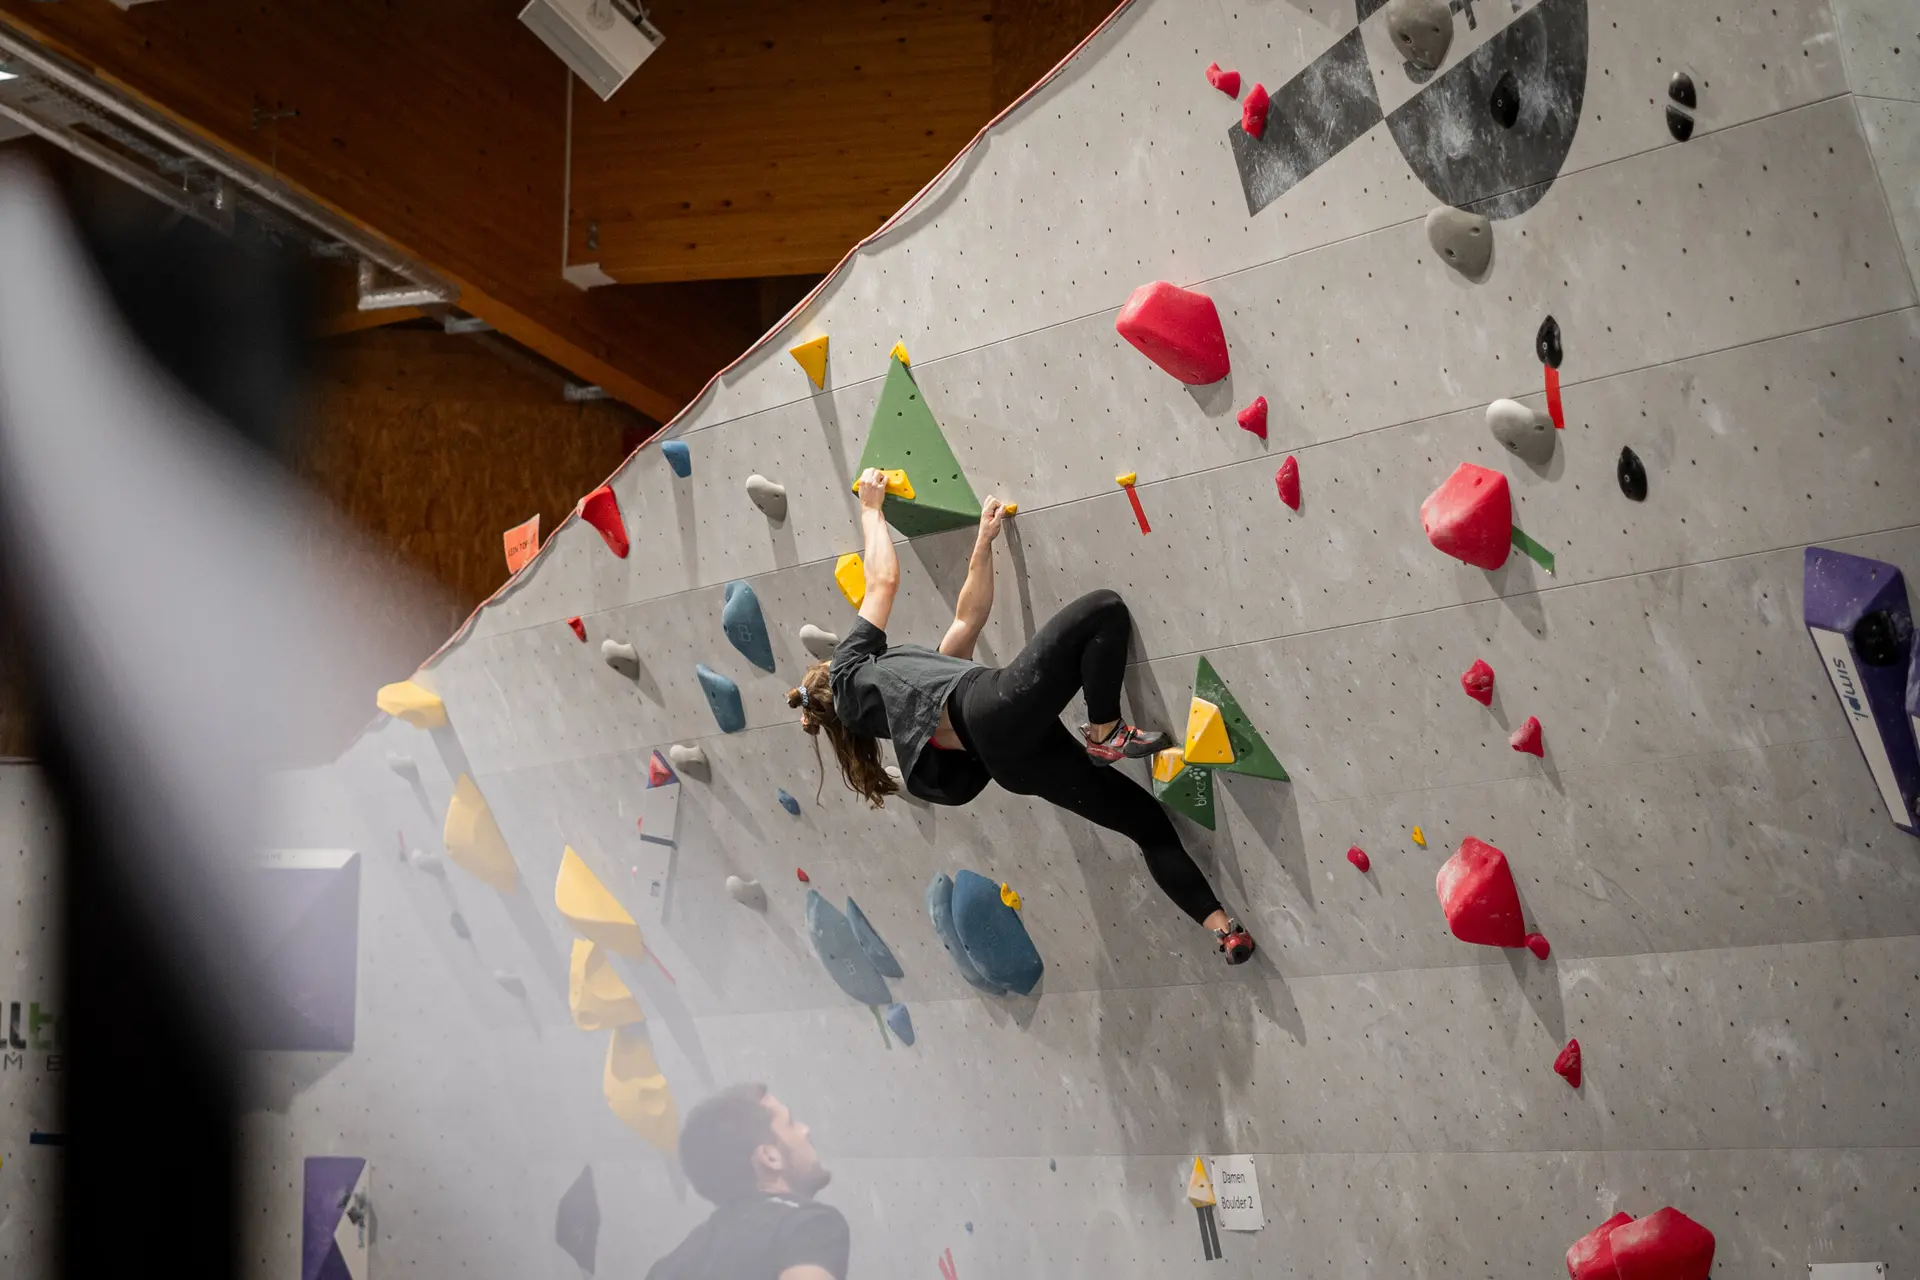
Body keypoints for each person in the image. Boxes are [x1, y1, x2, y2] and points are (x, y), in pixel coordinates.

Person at [786, 469, 1255, 964]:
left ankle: (1225, 931)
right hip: (991, 709)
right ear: (834, 672)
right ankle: (1104, 731)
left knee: (1147, 825)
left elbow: (966, 622)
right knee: (1104, 611)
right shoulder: (849, 673)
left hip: (1011, 761)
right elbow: (882, 580)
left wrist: (983, 546)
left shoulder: (903, 706)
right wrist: (870, 510)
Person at [647, 1084, 849, 1280]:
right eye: (790, 1124)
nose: (805, 1129)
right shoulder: (803, 1225)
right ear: (770, 1158)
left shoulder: (671, 1266)